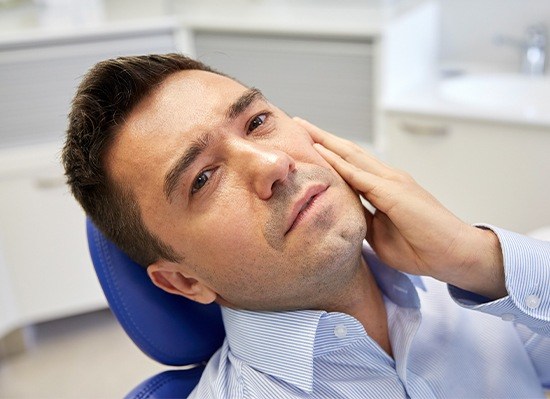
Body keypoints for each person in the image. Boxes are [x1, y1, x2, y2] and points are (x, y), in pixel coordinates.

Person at [62, 53, 550, 398]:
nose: (273, 162)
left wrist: (478, 258)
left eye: (256, 123)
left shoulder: (486, 284)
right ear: (184, 281)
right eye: (204, 178)